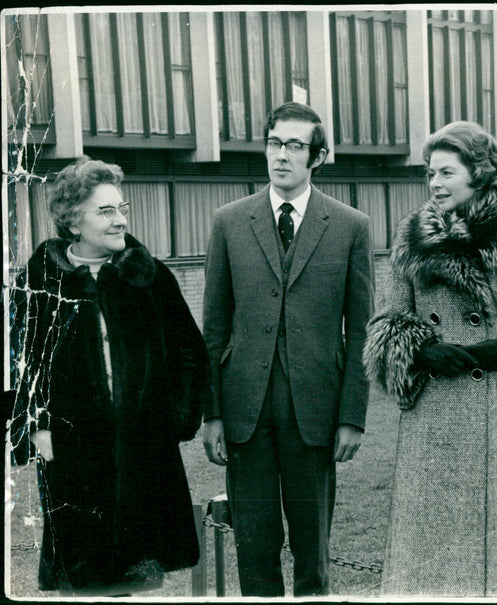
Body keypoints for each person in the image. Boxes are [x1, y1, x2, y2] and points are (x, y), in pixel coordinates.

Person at [363, 121, 497, 596]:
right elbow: (385, 323)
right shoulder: (412, 241)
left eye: (447, 173)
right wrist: (421, 349)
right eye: (430, 173)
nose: (434, 184)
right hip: (433, 413)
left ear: (478, 174)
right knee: (431, 548)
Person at [8, 157, 210, 595]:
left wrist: (174, 421)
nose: (120, 221)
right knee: (81, 581)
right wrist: (38, 430)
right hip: (73, 460)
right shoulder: (39, 283)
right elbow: (18, 363)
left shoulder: (149, 278)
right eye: (106, 211)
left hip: (143, 455)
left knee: (134, 577)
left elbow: (190, 356)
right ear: (72, 222)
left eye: (122, 208)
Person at [201, 102, 374, 597]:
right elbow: (214, 327)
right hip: (244, 411)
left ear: (317, 156)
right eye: (275, 143)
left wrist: (351, 416)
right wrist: (212, 413)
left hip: (315, 411)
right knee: (253, 547)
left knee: (312, 547)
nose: (281, 155)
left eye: (295, 145)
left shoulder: (350, 226)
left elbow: (361, 329)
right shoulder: (229, 222)